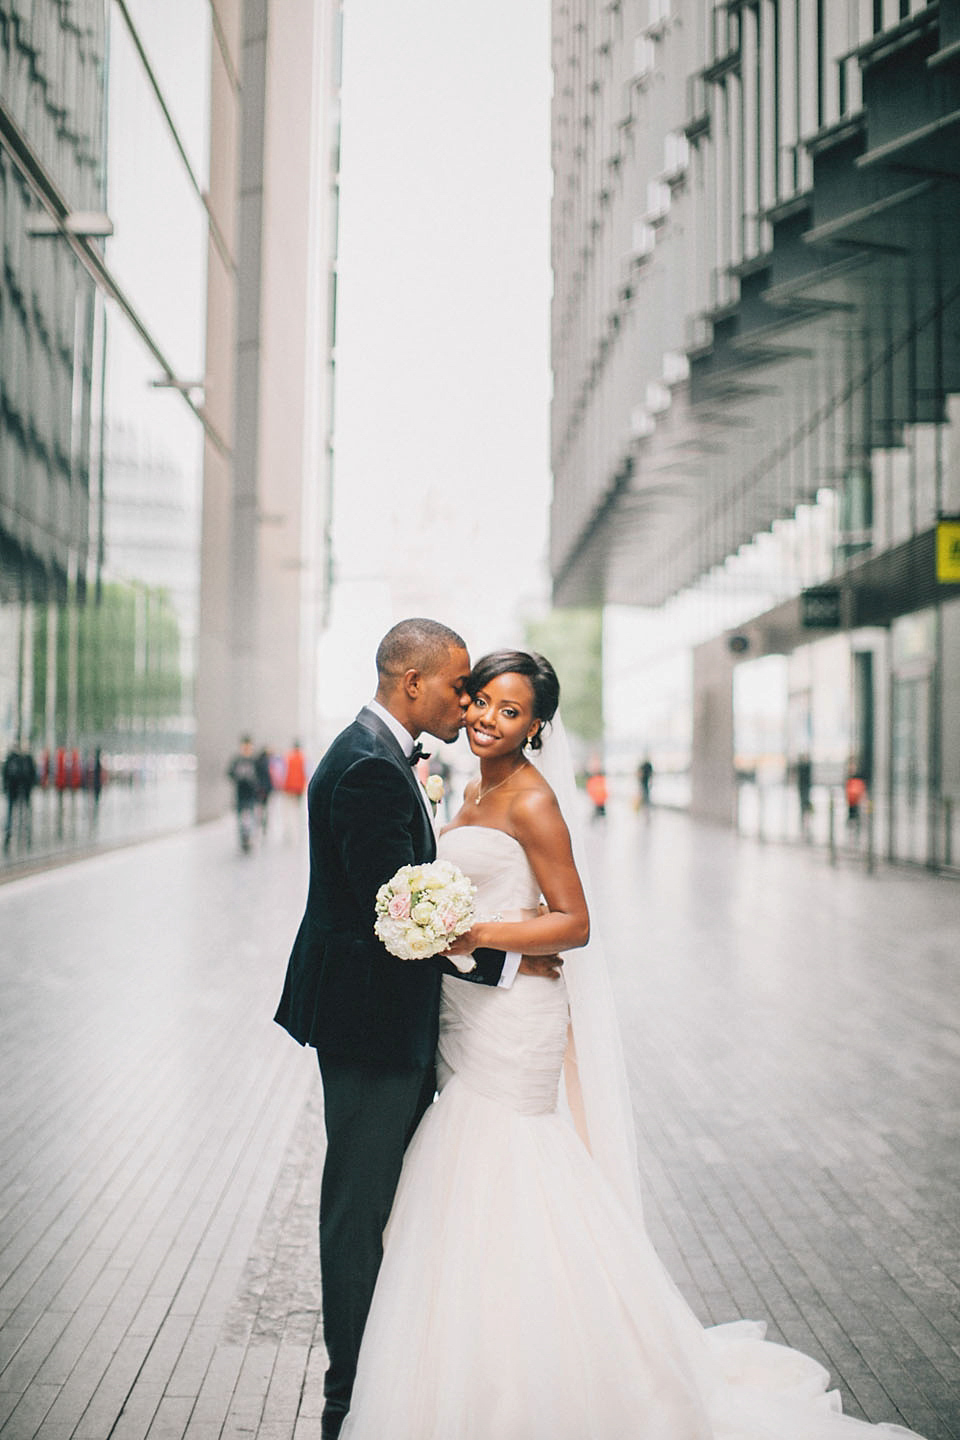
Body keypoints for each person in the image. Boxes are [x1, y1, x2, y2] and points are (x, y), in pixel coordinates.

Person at [339, 649, 926, 1440]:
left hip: (518, 1021)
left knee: (507, 1164)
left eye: (510, 712)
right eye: (481, 701)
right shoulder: (474, 787)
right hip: (468, 1016)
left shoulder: (534, 802)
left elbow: (574, 923)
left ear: (538, 727)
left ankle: (554, 1377)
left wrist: (470, 930)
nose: (485, 719)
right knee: (468, 1170)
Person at [273, 620, 562, 1440]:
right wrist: (505, 960)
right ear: (413, 685)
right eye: (459, 686)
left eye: (488, 695)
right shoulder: (369, 768)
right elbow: (391, 918)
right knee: (359, 1206)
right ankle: (350, 1389)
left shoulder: (377, 756)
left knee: (385, 1201)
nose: (467, 702)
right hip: (370, 1023)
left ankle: (391, 1366)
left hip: (388, 1020)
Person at [3, 739, 37, 854]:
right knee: (18, 811)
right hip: (20, 791)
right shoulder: (23, 759)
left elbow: (6, 775)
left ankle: (17, 830)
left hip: (16, 791)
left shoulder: (15, 759)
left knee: (15, 812)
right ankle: (18, 830)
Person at [227, 737, 259, 852]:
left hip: (252, 795)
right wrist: (238, 776)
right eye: (245, 747)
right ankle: (243, 839)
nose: (246, 749)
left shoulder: (255, 760)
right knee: (241, 819)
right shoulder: (237, 760)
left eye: (248, 747)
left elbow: (261, 775)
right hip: (240, 794)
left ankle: (248, 838)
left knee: (250, 817)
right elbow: (229, 773)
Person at [280, 739, 307, 844]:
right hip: (299, 789)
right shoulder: (303, 758)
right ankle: (298, 831)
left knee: (288, 811)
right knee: (297, 810)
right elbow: (307, 772)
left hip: (288, 788)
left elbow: (282, 772)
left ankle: (289, 831)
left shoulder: (287, 757)